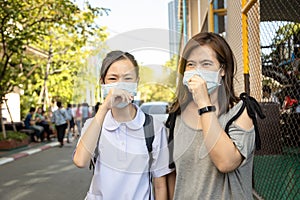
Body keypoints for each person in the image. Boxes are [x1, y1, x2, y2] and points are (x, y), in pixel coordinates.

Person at [166, 32, 265, 199]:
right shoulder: (176, 117)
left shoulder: (240, 112)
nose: (197, 72)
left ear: (222, 70)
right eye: (191, 64)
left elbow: (226, 162)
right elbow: (174, 175)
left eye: (206, 64)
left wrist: (204, 103)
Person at [73, 50, 172, 200]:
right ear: (102, 82)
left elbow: (160, 183)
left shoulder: (154, 128)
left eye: (127, 78)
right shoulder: (93, 125)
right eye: (113, 78)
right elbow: (80, 161)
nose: (120, 85)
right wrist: (104, 107)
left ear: (137, 82)